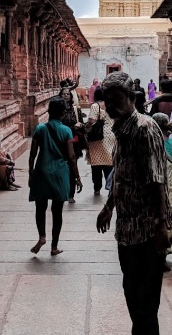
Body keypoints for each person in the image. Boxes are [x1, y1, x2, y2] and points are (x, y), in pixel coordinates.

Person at [96, 72, 172, 335]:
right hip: (127, 227)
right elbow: (122, 175)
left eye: (117, 100)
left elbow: (158, 182)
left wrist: (160, 229)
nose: (112, 106)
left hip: (146, 229)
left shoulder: (145, 130)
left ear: (131, 98)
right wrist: (109, 207)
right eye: (108, 101)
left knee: (142, 301)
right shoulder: (120, 130)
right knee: (138, 298)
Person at [29, 97, 82, 256]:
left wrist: (31, 174)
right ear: (62, 113)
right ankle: (54, 246)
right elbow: (72, 157)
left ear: (49, 111)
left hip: (42, 171)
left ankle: (42, 236)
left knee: (40, 207)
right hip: (60, 172)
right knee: (57, 211)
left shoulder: (39, 129)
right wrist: (77, 177)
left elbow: (32, 155)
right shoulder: (66, 131)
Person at [150, 112, 172, 264]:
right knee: (171, 219)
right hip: (171, 188)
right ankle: (164, 248)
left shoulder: (149, 143)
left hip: (153, 187)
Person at [83, 86, 115, 194]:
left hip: (97, 138)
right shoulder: (112, 105)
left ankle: (97, 188)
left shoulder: (95, 106)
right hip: (110, 137)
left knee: (96, 164)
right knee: (109, 162)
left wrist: (85, 126)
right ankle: (110, 185)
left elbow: (92, 120)